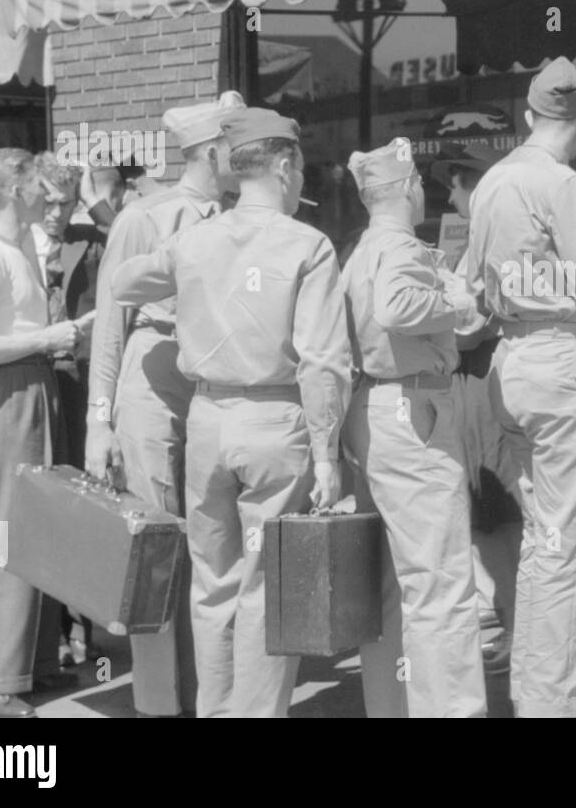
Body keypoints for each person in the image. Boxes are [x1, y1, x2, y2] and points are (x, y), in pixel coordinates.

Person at [110, 108, 349, 718]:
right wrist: (327, 454)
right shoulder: (308, 244)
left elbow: (123, 283)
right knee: (267, 589)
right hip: (276, 424)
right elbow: (323, 360)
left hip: (207, 420)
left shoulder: (195, 237)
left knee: (212, 585)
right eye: (299, 168)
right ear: (286, 164)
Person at [466, 56, 576, 718]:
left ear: (530, 117)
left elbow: (473, 291)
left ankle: (535, 695)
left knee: (544, 541)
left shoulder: (491, 183)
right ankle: (556, 706)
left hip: (511, 361)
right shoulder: (567, 185)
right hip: (560, 362)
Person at [85, 89, 246, 717]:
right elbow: (109, 323)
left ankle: (212, 692)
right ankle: (158, 702)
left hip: (213, 382)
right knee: (156, 543)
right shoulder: (143, 218)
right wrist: (100, 422)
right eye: (236, 145)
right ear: (211, 151)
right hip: (152, 380)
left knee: (211, 542)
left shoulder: (240, 215)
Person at [344, 137, 487, 718]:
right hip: (415, 413)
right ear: (406, 188)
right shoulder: (400, 246)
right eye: (420, 183)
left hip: (377, 412)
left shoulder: (360, 249)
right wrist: (457, 302)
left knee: (395, 588)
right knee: (443, 586)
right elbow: (399, 307)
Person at [0, 148, 80, 718]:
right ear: (11, 191)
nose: (47, 194)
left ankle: (34, 663)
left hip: (31, 388)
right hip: (6, 395)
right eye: (36, 183)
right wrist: (49, 338)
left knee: (40, 528)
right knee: (6, 530)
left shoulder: (18, 248)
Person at [433, 142, 521, 675]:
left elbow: (467, 327)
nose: (449, 194)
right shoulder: (472, 241)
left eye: (456, 183)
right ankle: (502, 624)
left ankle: (515, 629)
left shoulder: (492, 238)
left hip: (485, 378)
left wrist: (436, 300)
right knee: (484, 507)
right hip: (471, 382)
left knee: (501, 508)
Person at [30, 154, 109, 667]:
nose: (58, 213)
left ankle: (81, 628)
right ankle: (45, 633)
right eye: (50, 201)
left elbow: (133, 237)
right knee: (41, 504)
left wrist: (95, 203)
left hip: (78, 384)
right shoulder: (10, 243)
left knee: (80, 503)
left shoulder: (90, 237)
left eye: (67, 202)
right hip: (33, 382)